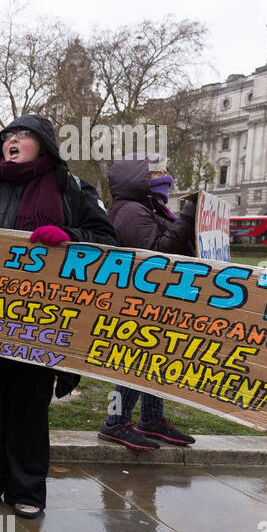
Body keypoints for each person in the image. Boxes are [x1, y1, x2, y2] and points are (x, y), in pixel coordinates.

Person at [0, 115, 117, 519]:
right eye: (7, 135)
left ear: (44, 145)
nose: (13, 140)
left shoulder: (70, 188)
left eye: (23, 135)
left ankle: (26, 488)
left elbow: (108, 241)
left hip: (40, 320)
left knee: (28, 405)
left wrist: (69, 238)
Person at [98, 153, 197, 449]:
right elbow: (154, 259)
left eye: (167, 170)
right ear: (138, 178)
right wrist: (188, 219)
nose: (166, 176)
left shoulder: (151, 207)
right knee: (134, 361)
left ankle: (152, 418)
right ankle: (115, 422)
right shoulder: (130, 211)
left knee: (155, 358)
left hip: (156, 301)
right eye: (157, 172)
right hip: (135, 301)